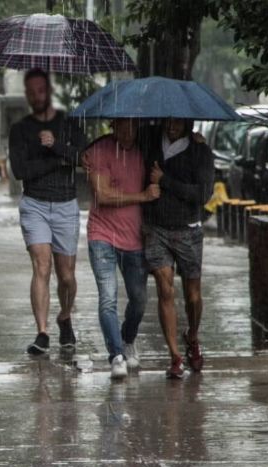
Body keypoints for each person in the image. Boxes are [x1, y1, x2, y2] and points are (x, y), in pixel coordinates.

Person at [8, 68, 86, 355]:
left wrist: (56, 146)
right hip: (35, 204)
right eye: (31, 92)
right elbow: (21, 170)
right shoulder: (20, 130)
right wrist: (57, 162)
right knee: (42, 266)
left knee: (66, 276)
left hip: (65, 204)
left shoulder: (69, 123)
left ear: (49, 91)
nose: (36, 96)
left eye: (40, 90)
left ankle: (64, 316)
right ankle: (42, 332)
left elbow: (83, 157)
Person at [83, 118, 160, 379]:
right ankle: (116, 355)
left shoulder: (145, 149)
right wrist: (142, 196)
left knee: (139, 300)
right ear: (113, 126)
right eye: (123, 126)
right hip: (102, 234)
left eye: (133, 127)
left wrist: (195, 140)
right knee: (108, 298)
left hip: (134, 238)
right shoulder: (99, 150)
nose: (128, 132)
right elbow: (102, 195)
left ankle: (128, 339)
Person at [141, 118, 214, 379]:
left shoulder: (200, 151)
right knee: (165, 289)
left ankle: (192, 336)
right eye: (168, 121)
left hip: (188, 230)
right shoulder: (150, 140)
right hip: (156, 228)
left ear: (187, 123)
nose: (172, 126)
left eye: (178, 122)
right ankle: (175, 356)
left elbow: (203, 194)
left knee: (193, 296)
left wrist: (165, 180)